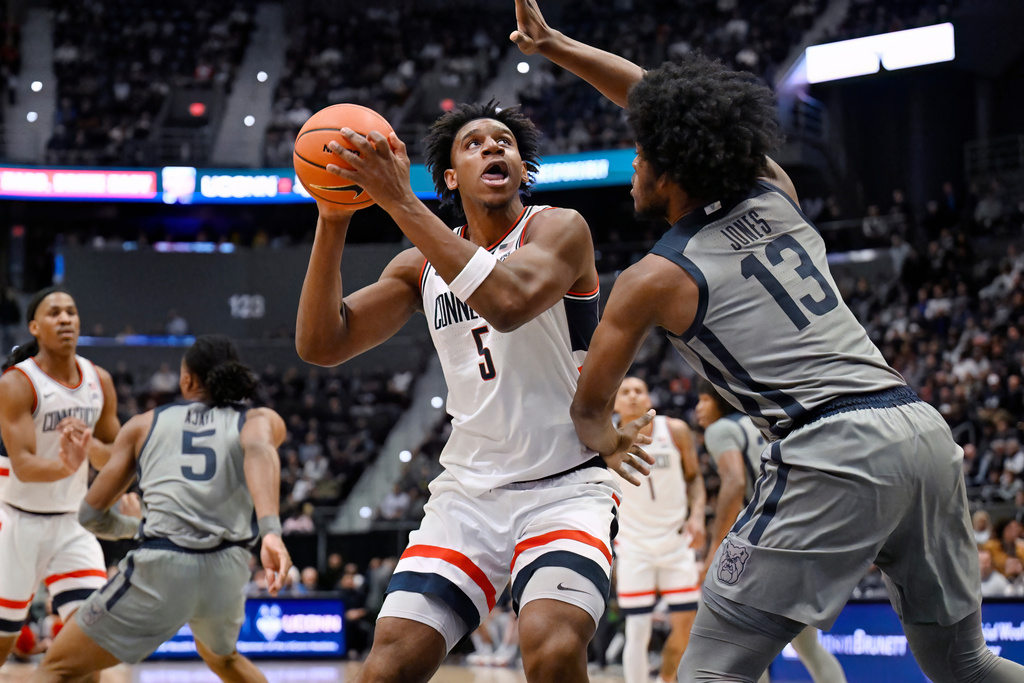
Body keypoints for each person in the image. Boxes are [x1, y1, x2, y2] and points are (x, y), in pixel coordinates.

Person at [510, 2, 1024, 680]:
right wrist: (557, 46)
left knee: (710, 670)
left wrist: (609, 438)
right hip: (919, 429)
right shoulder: (773, 190)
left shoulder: (651, 278)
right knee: (965, 664)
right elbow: (664, 104)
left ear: (670, 171)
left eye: (642, 152)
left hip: (832, 446)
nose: (633, 161)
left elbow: (586, 408)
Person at [296, 99, 644, 683]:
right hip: (468, 495)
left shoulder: (558, 228)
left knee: (552, 649)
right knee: (390, 663)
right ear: (451, 177)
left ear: (522, 170)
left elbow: (507, 303)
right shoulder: (418, 267)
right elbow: (322, 344)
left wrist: (398, 200)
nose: (494, 147)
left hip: (565, 487)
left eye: (504, 141)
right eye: (475, 142)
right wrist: (333, 217)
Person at [29, 334, 292, 682]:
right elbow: (259, 450)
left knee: (56, 667)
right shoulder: (258, 419)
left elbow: (90, 515)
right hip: (227, 569)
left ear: (186, 380)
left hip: (163, 566)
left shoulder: (144, 424)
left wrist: (135, 526)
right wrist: (271, 530)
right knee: (223, 659)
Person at [695, 381, 846, 683]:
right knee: (809, 648)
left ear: (719, 401)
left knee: (746, 645)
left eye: (703, 400)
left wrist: (714, 550)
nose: (697, 409)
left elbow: (735, 481)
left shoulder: (720, 430)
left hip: (768, 538)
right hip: (807, 534)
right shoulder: (764, 423)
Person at [0, 287, 119, 667]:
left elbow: (116, 456)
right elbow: (24, 465)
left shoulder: (99, 381)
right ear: (34, 326)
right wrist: (72, 464)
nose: (66, 318)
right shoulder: (17, 383)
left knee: (92, 646)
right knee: (3, 644)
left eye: (71, 311)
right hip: (15, 521)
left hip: (72, 524)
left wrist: (90, 454)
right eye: (54, 313)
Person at [613, 376, 705, 683]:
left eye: (639, 390)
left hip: (675, 541)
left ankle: (667, 678)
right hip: (632, 544)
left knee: (686, 628)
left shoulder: (675, 430)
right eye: (625, 392)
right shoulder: (606, 439)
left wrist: (697, 516)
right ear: (615, 402)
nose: (633, 396)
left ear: (650, 399)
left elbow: (694, 479)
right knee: (637, 631)